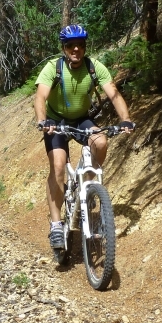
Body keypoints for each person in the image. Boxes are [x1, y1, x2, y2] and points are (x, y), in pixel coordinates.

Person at [34, 24, 134, 250]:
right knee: (58, 166)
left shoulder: (94, 67)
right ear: (64, 47)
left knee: (101, 141)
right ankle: (57, 224)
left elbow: (114, 94)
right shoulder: (54, 68)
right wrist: (43, 121)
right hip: (55, 121)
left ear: (85, 46)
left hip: (81, 119)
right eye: (71, 45)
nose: (76, 49)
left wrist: (126, 119)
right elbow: (40, 97)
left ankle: (88, 190)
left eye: (80, 45)